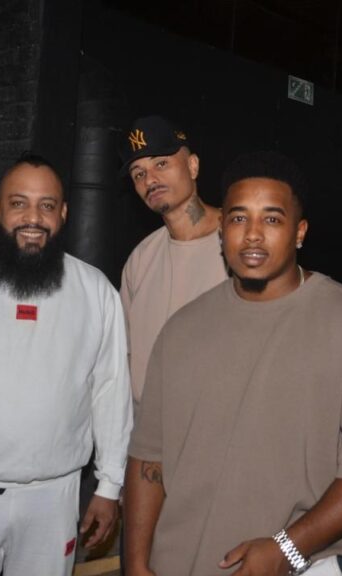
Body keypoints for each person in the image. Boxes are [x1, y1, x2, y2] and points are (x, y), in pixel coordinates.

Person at [124, 151, 342, 576]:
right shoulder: (181, 331)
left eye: (271, 219)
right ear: (222, 230)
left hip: (308, 562)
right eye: (239, 218)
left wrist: (285, 549)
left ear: (299, 232)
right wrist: (135, 563)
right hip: (183, 560)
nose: (253, 235)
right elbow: (149, 459)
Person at [0, 152, 132, 575]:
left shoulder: (96, 291)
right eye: (19, 203)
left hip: (54, 498)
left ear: (63, 214)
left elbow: (111, 389)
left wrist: (109, 485)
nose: (33, 218)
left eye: (47, 205)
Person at [118, 115, 228, 401]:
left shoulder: (239, 244)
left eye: (161, 164)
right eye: (138, 173)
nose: (150, 179)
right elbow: (123, 353)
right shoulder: (141, 259)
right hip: (147, 423)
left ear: (193, 166)